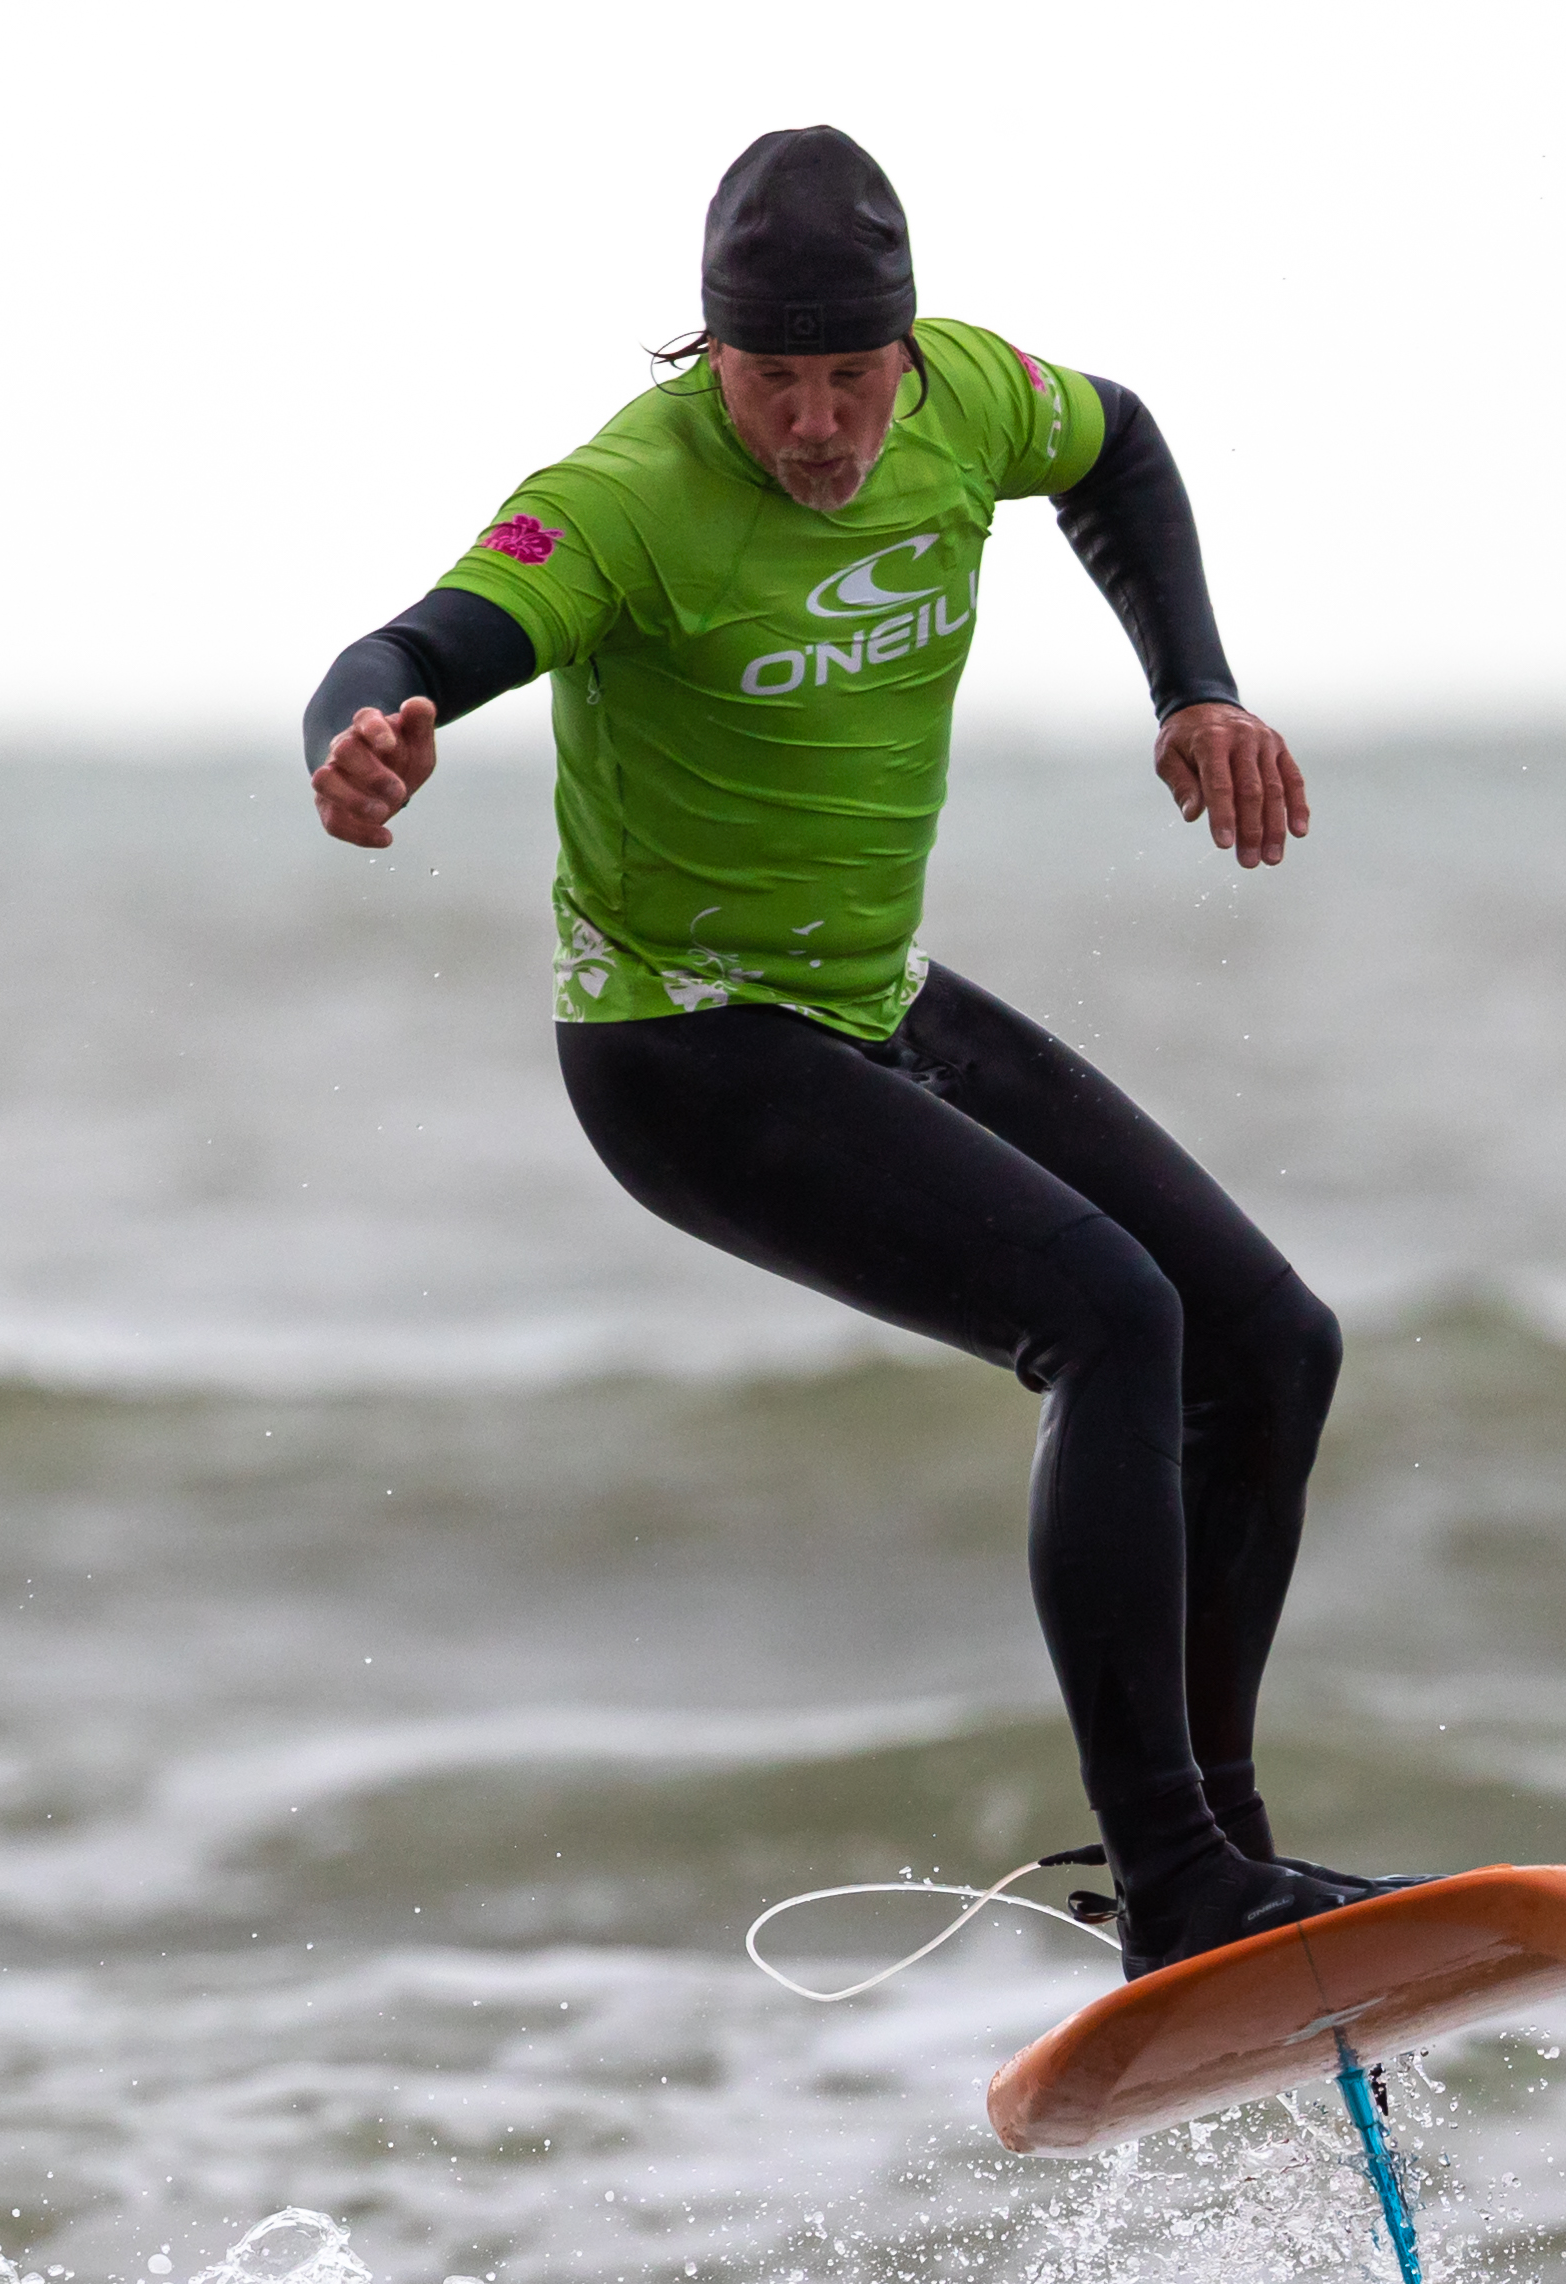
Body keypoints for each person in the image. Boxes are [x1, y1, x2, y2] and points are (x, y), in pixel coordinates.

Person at [302, 127, 1389, 1979]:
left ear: (902, 347)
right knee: (1113, 1318)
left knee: (1270, 1343)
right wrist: (366, 732)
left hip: (869, 997)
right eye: (772, 382)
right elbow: (420, 635)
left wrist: (1191, 682)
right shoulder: (628, 499)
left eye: (847, 377)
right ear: (706, 360)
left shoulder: (970, 395)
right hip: (687, 1051)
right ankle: (1179, 1878)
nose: (817, 425)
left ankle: (1210, 1865)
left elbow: (1114, 439)